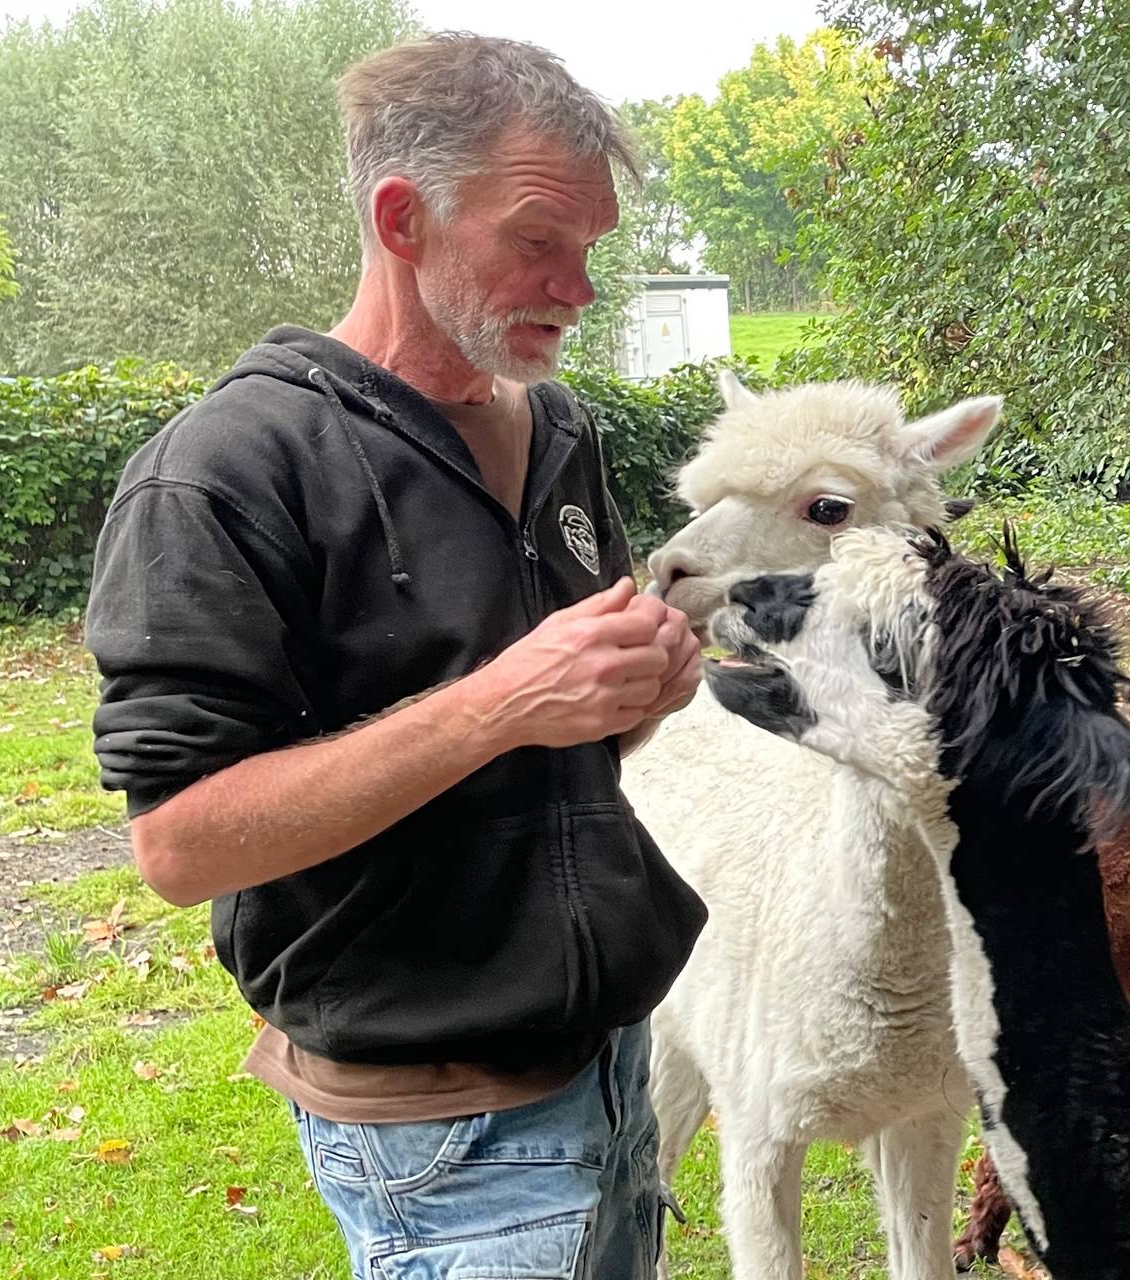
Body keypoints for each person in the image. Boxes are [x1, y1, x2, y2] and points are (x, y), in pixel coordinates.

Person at [81, 32, 708, 1279]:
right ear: (401, 216)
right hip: (439, 1127)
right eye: (538, 239)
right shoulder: (225, 470)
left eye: (590, 247)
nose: (577, 288)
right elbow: (181, 843)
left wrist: (630, 694)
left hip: (612, 1064)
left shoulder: (561, 431)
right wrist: (493, 704)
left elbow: (559, 733)